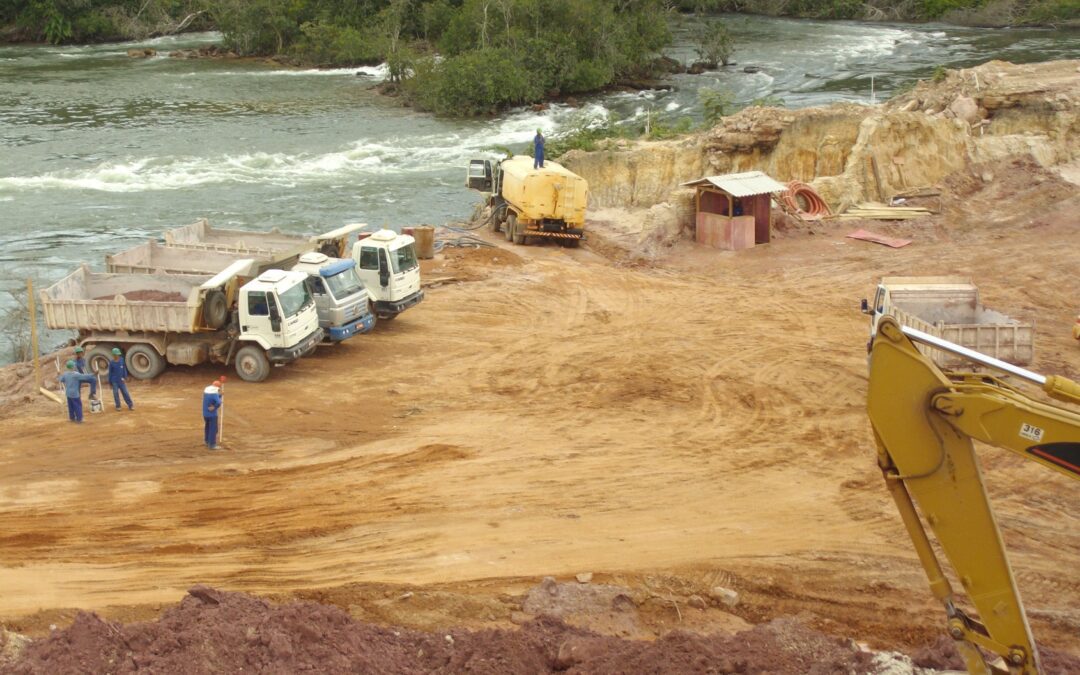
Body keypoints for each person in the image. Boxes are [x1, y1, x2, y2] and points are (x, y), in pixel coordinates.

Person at [202, 380, 223, 450]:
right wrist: (215, 407)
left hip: (205, 414)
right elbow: (218, 402)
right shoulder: (214, 394)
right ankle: (212, 444)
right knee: (213, 429)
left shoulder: (206, 392)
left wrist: (220, 395)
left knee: (207, 427)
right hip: (212, 415)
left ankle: (207, 441)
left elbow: (211, 399)